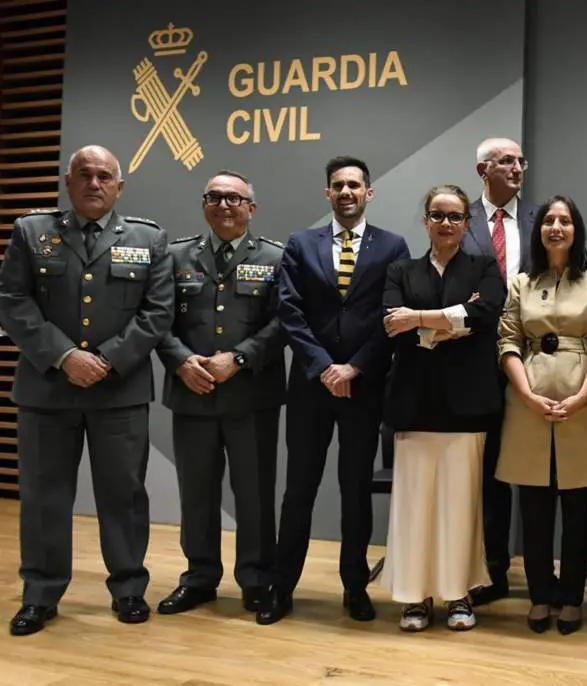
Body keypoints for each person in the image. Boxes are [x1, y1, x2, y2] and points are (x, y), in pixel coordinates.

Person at [0, 145, 175, 635]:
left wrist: (107, 360)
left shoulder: (148, 238)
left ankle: (128, 589)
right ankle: (39, 594)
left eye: (104, 176)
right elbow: (12, 301)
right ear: (67, 181)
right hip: (46, 389)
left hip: (118, 391)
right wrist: (64, 356)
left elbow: (158, 313)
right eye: (85, 175)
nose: (94, 183)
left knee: (123, 495)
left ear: (120, 186)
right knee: (43, 497)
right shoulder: (31, 232)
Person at [258, 156, 411, 625]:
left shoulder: (393, 246)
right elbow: (289, 311)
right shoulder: (302, 244)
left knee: (355, 491)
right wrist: (325, 367)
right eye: (338, 186)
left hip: (363, 388)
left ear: (369, 193)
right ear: (328, 194)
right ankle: (281, 588)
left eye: (355, 185)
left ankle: (354, 587)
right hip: (310, 387)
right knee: (298, 490)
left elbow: (394, 316)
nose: (346, 192)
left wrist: (355, 368)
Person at [154, 171, 285, 617]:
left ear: (252, 207)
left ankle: (257, 579)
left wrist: (241, 358)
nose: (224, 205)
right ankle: (200, 578)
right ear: (204, 204)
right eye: (215, 197)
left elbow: (285, 322)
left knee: (254, 494)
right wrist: (180, 360)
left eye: (234, 198)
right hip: (192, 395)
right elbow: (157, 319)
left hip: (251, 397)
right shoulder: (174, 256)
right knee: (197, 494)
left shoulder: (275, 257)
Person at [380, 184, 506, 632]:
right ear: (426, 220)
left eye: (455, 216)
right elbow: (391, 322)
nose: (446, 223)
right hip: (414, 404)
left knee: (461, 506)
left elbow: (486, 315)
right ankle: (415, 598)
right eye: (438, 214)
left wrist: (419, 318)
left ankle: (458, 595)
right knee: (414, 506)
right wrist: (451, 321)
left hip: (466, 406)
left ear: (467, 223)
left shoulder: (484, 266)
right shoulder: (401, 269)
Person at [495, 195, 587, 635]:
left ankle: (572, 598)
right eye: (549, 220)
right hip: (528, 404)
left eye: (565, 220)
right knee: (535, 509)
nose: (556, 227)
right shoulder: (522, 282)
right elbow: (507, 339)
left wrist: (584, 395)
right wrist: (525, 393)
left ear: (576, 229)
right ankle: (540, 595)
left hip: (582, 403)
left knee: (578, 509)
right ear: (539, 230)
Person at [463, 137, 537, 606]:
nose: (516, 168)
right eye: (505, 161)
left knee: (526, 469)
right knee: (483, 473)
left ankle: (535, 575)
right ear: (481, 169)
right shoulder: (456, 217)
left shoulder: (540, 219)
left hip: (533, 363)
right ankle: (489, 571)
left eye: (519, 161)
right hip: (471, 364)